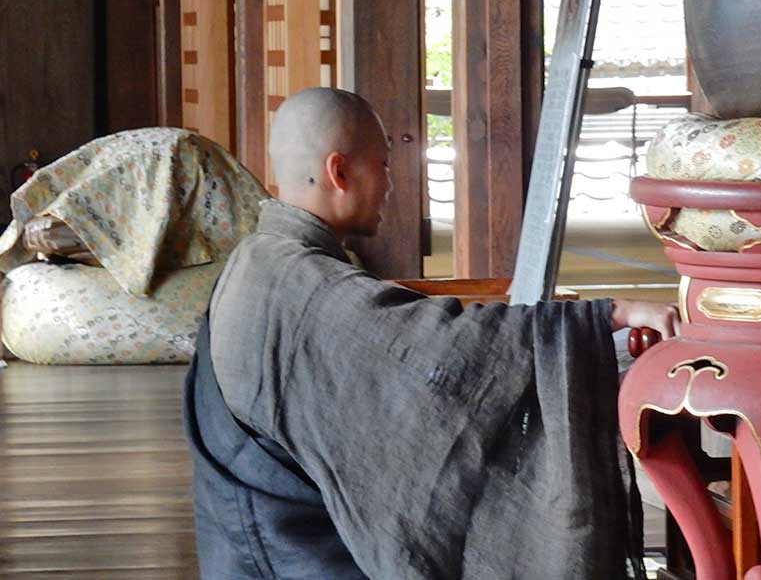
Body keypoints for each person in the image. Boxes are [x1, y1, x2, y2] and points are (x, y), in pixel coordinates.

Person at [184, 87, 680, 579]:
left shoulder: (260, 257)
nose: (391, 186)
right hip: (294, 555)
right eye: (382, 166)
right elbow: (443, 347)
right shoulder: (307, 285)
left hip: (246, 548)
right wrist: (604, 316)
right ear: (339, 172)